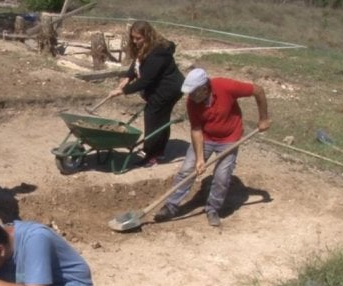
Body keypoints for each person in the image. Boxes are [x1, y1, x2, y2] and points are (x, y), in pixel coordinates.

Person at [154, 68, 271, 226]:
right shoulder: (192, 102)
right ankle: (171, 206)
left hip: (230, 138)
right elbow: (196, 130)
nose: (190, 97)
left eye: (194, 92)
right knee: (187, 170)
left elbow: (258, 90)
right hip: (206, 138)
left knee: (222, 177)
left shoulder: (225, 86)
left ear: (204, 88)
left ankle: (212, 209)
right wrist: (200, 159)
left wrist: (263, 118)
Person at [109, 20, 184, 168]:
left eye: (138, 38)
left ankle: (151, 154)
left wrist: (123, 91)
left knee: (154, 119)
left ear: (148, 36)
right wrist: (127, 78)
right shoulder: (144, 47)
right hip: (159, 87)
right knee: (159, 118)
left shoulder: (159, 52)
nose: (135, 41)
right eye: (133, 38)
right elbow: (137, 63)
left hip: (168, 89)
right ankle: (158, 150)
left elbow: (146, 80)